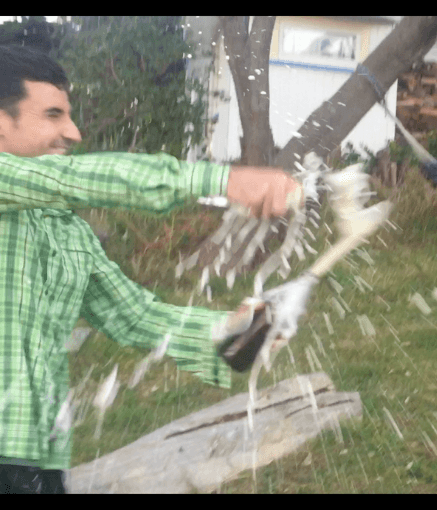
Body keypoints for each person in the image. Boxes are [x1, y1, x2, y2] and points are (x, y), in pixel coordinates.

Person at [0, 45, 303, 493]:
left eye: (70, 116)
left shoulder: (67, 232)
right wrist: (222, 180)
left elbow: (136, 316)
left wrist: (230, 333)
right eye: (52, 115)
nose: (74, 132)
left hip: (36, 455)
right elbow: (70, 179)